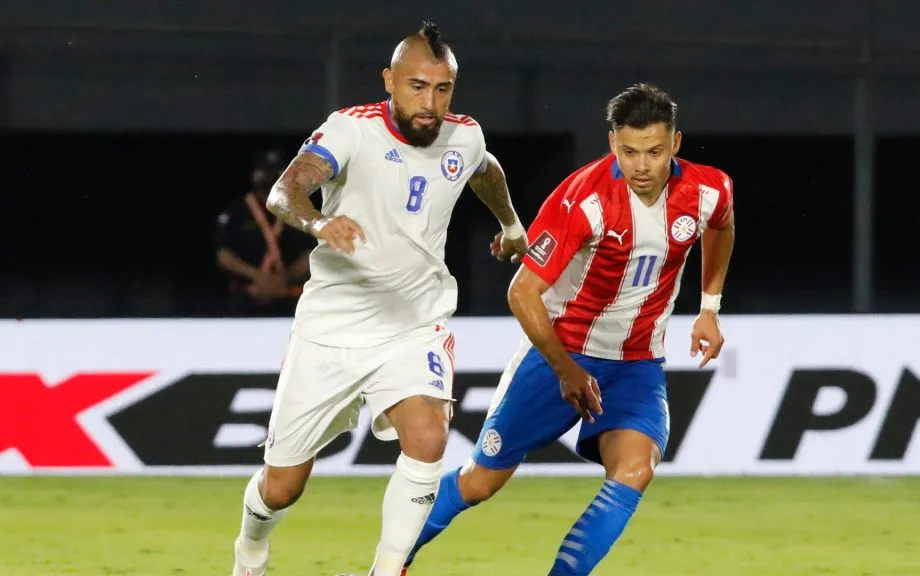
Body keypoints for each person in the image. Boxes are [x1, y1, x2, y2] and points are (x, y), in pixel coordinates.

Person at [229, 22, 528, 576]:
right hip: (332, 327)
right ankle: (250, 548)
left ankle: (385, 571)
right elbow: (284, 190)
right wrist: (319, 224)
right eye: (417, 86)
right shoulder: (351, 131)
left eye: (442, 89)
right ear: (389, 80)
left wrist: (511, 224)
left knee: (429, 437)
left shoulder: (464, 136)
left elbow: (484, 169)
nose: (430, 103)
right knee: (283, 487)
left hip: (415, 322)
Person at [403, 83, 736, 576]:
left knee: (635, 470)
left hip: (637, 363)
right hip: (558, 352)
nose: (641, 166)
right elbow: (522, 291)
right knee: (480, 481)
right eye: (629, 152)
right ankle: (388, 565)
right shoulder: (585, 199)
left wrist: (710, 306)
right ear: (612, 144)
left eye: (654, 152)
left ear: (676, 144)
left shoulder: (708, 190)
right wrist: (566, 370)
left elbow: (722, 225)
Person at [215, 150, 313, 317]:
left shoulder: (301, 209)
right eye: (266, 172)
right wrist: (257, 277)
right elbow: (223, 254)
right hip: (245, 297)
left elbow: (310, 254)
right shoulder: (237, 211)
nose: (271, 178)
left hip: (289, 298)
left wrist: (283, 280)